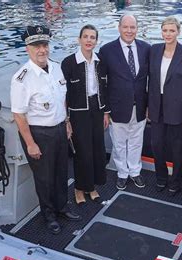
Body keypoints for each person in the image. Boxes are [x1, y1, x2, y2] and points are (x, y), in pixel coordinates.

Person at [10, 25, 81, 235]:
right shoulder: (21, 78)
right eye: (36, 46)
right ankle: (49, 215)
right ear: (28, 49)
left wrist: (67, 122)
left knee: (61, 172)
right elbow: (19, 114)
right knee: (44, 178)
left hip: (59, 128)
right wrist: (30, 143)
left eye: (44, 44)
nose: (42, 50)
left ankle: (62, 207)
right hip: (39, 134)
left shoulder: (56, 68)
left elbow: (62, 98)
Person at [99, 14, 150, 190]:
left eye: (133, 27)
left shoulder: (146, 48)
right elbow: (102, 82)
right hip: (117, 106)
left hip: (140, 105)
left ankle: (135, 172)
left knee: (137, 141)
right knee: (119, 143)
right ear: (119, 28)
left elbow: (150, 79)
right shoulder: (106, 51)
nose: (129, 30)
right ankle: (122, 173)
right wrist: (105, 110)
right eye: (126, 27)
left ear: (137, 29)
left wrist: (149, 105)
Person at [148, 17, 182, 196]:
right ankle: (161, 178)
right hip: (156, 106)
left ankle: (175, 182)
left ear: (178, 32)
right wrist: (148, 105)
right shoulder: (153, 50)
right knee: (156, 144)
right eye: (165, 30)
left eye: (171, 31)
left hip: (178, 108)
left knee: (177, 148)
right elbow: (149, 80)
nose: (168, 34)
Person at [61, 24, 109, 204]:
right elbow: (63, 94)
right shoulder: (68, 63)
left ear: (96, 41)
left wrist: (105, 112)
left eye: (92, 37)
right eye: (86, 37)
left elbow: (104, 87)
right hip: (78, 113)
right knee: (82, 152)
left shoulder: (100, 61)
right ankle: (79, 189)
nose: (89, 40)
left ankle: (92, 187)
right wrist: (66, 119)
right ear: (79, 39)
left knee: (97, 149)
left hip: (97, 110)